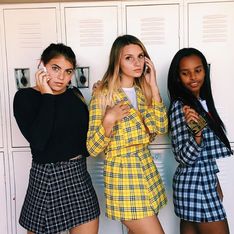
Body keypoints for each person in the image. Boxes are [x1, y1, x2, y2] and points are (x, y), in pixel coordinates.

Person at [13, 43, 100, 234]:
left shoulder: (75, 95)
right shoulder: (24, 97)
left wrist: (100, 101)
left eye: (68, 71)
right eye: (55, 68)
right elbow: (39, 141)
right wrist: (47, 95)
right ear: (41, 65)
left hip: (78, 176)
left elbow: (86, 147)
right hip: (47, 177)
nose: (62, 77)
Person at [87, 34, 168, 234]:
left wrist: (154, 87)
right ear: (117, 61)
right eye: (129, 58)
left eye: (141, 56)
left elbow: (161, 128)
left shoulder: (143, 91)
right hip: (123, 177)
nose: (137, 62)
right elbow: (92, 148)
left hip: (147, 172)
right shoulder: (103, 94)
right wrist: (108, 120)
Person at [167, 47, 233, 234]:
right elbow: (184, 157)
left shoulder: (201, 102)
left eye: (198, 70)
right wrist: (197, 134)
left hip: (203, 182)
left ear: (205, 70)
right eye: (185, 73)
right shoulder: (181, 106)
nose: (193, 77)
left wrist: (216, 183)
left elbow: (207, 153)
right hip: (196, 185)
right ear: (178, 77)